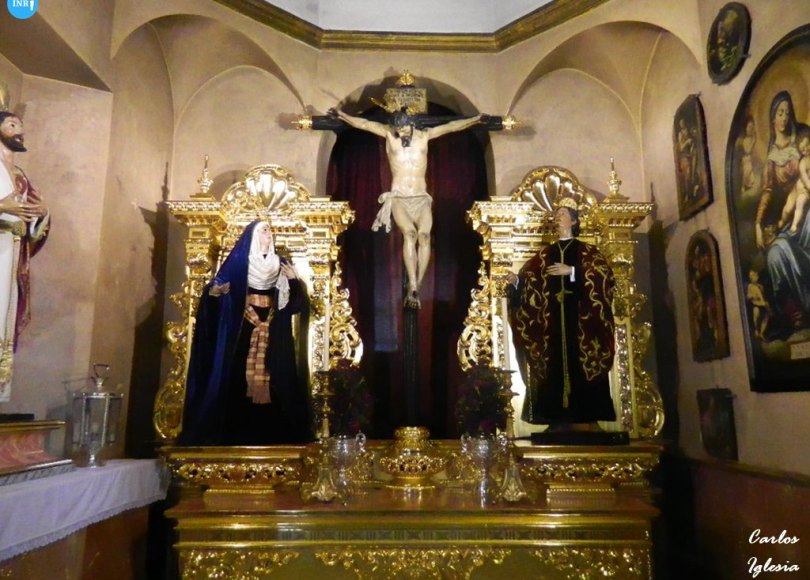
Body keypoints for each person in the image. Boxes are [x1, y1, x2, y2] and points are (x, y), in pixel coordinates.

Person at [333, 106, 483, 308]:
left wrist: (476, 119)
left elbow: (451, 127)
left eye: (403, 129)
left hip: (421, 197)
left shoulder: (425, 136)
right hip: (399, 197)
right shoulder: (390, 135)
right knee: (410, 234)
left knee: (425, 236)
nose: (400, 133)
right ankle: (412, 283)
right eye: (398, 129)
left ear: (411, 124)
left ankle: (416, 287)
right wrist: (343, 115)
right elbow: (365, 124)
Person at [180, 221, 310, 445]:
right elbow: (214, 292)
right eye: (264, 230)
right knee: (237, 378)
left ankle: (273, 438)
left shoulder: (281, 265)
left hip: (272, 330)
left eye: (270, 229)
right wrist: (216, 292)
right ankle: (236, 437)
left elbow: (296, 305)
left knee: (275, 378)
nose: (269, 233)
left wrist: (293, 281)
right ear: (253, 236)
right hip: (243, 329)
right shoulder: (240, 263)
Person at [507, 203, 616, 430]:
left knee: (583, 364)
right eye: (556, 215)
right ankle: (555, 420)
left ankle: (588, 419)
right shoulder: (545, 255)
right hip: (553, 324)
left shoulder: (587, 251)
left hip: (582, 323)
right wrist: (516, 282)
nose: (558, 218)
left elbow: (603, 275)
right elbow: (530, 280)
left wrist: (573, 271)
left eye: (563, 214)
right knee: (552, 365)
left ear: (574, 221)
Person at [0, 110, 49, 401]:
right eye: (12, 125)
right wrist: (2, 208)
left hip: (13, 251)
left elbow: (31, 214)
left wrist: (41, 214)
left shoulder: (20, 175)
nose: (20, 131)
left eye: (21, 126)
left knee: (5, 318)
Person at [754, 91, 810, 334]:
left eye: (787, 112)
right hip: (789, 215)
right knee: (775, 253)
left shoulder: (804, 136)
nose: (784, 117)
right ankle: (797, 314)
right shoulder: (771, 158)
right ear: (772, 118)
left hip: (808, 206)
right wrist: (758, 224)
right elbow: (767, 192)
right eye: (780, 113)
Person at [778, 126, 810, 234]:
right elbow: (806, 180)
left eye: (808, 145)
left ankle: (794, 224)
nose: (806, 150)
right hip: (801, 189)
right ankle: (783, 222)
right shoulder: (803, 163)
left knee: (800, 203)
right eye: (803, 149)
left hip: (807, 192)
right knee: (788, 209)